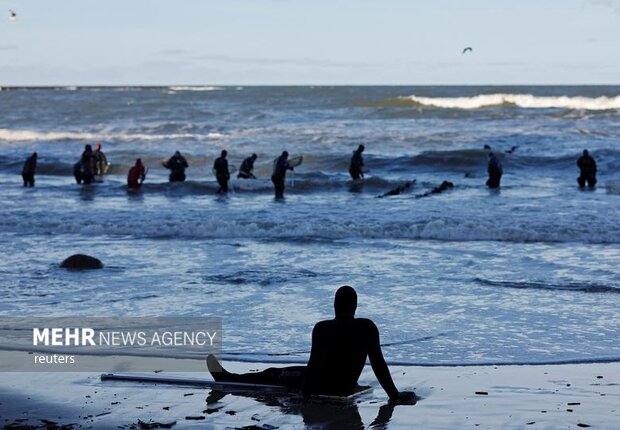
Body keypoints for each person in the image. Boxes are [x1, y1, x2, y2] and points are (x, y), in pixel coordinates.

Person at [208, 286, 416, 403]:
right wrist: (394, 395)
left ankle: (226, 378)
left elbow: (315, 364)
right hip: (345, 384)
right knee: (285, 372)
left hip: (320, 384)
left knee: (275, 374)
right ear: (354, 306)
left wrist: (303, 395)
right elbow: (379, 364)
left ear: (335, 305)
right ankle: (228, 376)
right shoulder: (367, 327)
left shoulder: (323, 328)